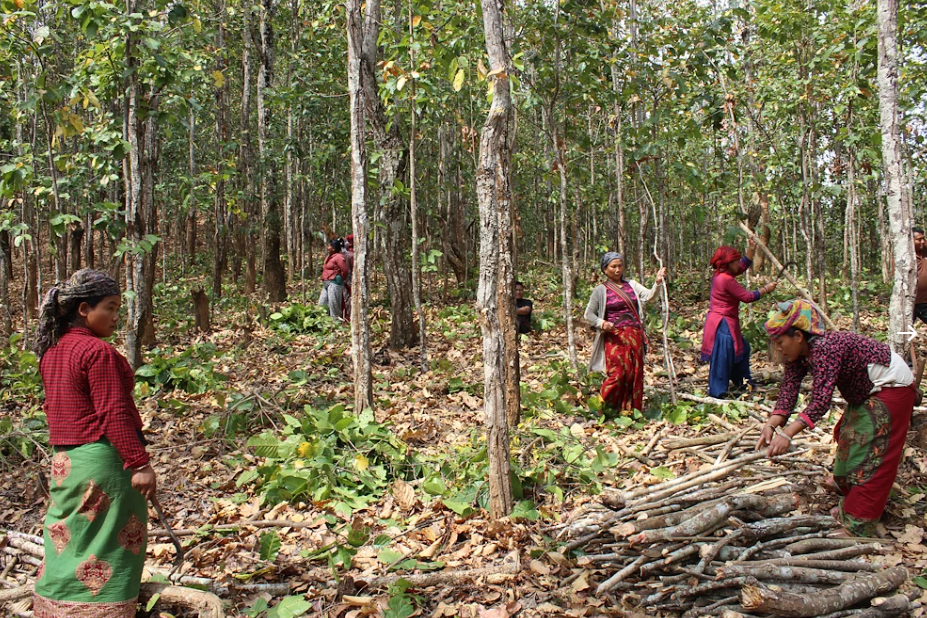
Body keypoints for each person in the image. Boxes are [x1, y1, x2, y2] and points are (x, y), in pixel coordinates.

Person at [32, 269, 156, 618]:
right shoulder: (97, 352)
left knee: (67, 536)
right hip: (103, 463)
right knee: (108, 542)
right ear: (84, 309)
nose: (117, 317)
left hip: (65, 464)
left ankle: (57, 606)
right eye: (111, 308)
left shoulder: (52, 351)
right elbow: (113, 412)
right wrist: (140, 463)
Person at [757, 299, 915, 537]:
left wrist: (787, 434)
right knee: (847, 444)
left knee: (870, 457)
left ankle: (858, 526)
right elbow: (789, 389)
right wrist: (771, 425)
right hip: (866, 393)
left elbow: (820, 402)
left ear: (799, 337)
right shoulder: (799, 355)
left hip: (891, 389)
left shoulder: (825, 347)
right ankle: (851, 507)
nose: (779, 349)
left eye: (780, 342)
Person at [585, 252, 666, 414]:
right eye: (613, 267)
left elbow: (649, 297)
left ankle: (629, 410)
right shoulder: (600, 290)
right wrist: (602, 323)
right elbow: (589, 314)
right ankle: (599, 407)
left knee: (635, 373)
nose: (617, 270)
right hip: (614, 337)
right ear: (605, 269)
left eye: (620, 266)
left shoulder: (632, 285)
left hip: (634, 335)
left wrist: (657, 283)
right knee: (617, 373)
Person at [700, 240, 777, 398]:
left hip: (726, 321)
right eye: (735, 261)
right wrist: (766, 289)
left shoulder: (723, 274)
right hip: (722, 324)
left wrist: (750, 250)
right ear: (728, 263)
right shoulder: (725, 280)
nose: (738, 264)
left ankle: (742, 383)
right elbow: (747, 297)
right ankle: (717, 392)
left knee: (742, 350)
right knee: (723, 356)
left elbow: (740, 267)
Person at [319, 238, 348, 320]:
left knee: (334, 305)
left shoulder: (339, 257)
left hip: (334, 282)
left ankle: (336, 324)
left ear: (334, 248)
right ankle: (323, 322)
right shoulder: (329, 256)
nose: (327, 247)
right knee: (322, 304)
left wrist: (341, 278)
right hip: (326, 283)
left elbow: (345, 270)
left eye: (329, 246)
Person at [914, 227, 927, 325]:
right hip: (910, 303)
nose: (922, 241)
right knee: (903, 331)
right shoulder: (905, 256)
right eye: (919, 239)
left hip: (925, 302)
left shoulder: (925, 252)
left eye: (924, 239)